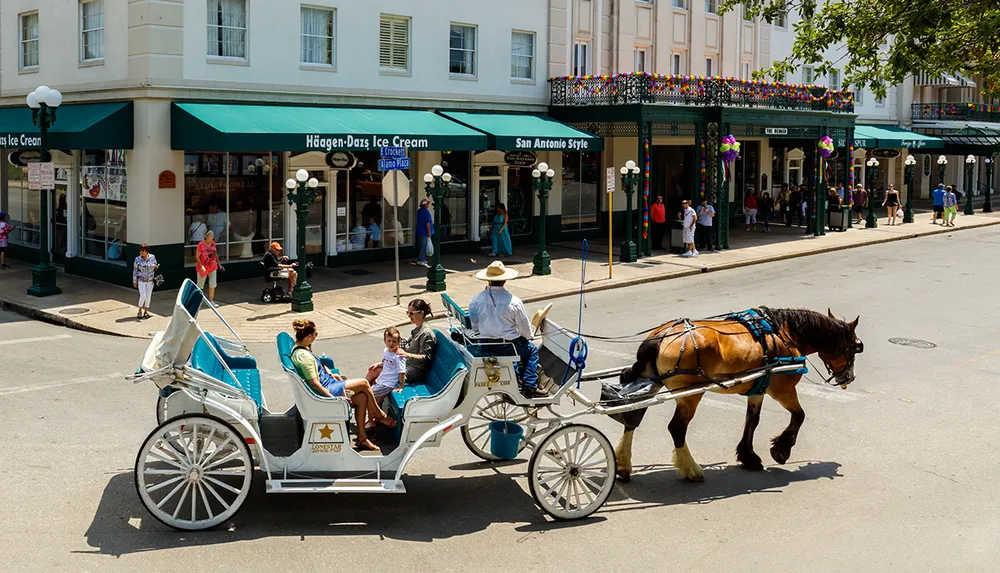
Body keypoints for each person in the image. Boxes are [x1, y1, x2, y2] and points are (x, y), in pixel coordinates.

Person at [289, 320, 395, 451]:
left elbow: (317, 366)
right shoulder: (303, 357)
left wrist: (329, 372)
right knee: (364, 383)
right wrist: (334, 399)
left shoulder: (303, 348)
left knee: (362, 398)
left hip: (329, 382)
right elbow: (314, 383)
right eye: (315, 334)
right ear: (309, 336)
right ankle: (380, 415)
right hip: (325, 390)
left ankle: (362, 439)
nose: (316, 337)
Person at [468, 261, 544, 398]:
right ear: (504, 280)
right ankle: (530, 385)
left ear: (488, 280)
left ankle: (515, 379)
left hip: (485, 344)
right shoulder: (513, 301)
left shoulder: (476, 299)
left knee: (519, 347)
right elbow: (524, 329)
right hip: (507, 346)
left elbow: (474, 324)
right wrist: (528, 337)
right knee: (531, 351)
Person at [398, 299, 436, 383]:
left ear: (421, 313)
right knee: (376, 369)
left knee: (385, 375)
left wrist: (408, 355)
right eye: (407, 313)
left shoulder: (426, 333)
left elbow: (425, 357)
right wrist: (402, 343)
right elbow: (411, 347)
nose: (409, 316)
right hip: (406, 364)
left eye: (412, 313)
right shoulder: (417, 329)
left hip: (415, 370)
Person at [370, 327, 407, 405]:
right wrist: (379, 364)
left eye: (394, 341)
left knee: (368, 393)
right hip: (381, 380)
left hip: (388, 384)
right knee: (376, 400)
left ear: (398, 341)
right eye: (389, 341)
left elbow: (402, 372)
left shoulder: (399, 356)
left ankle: (377, 415)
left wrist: (400, 386)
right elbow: (388, 363)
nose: (391, 344)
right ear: (384, 341)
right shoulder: (386, 351)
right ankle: (375, 414)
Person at [196, 230, 223, 306]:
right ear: (207, 237)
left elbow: (215, 254)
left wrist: (219, 264)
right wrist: (201, 266)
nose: (213, 237)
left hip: (212, 266)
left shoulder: (213, 243)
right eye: (211, 236)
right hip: (203, 268)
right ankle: (198, 301)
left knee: (213, 284)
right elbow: (197, 257)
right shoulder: (200, 245)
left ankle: (211, 301)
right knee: (200, 285)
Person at [132, 244, 158, 320]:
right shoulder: (137, 259)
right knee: (143, 295)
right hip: (141, 280)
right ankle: (139, 310)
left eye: (142, 250)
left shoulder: (152, 257)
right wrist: (134, 281)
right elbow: (135, 271)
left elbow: (155, 264)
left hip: (150, 280)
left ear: (147, 251)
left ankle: (146, 311)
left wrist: (155, 266)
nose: (141, 252)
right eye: (140, 250)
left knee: (148, 296)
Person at [416, 198, 433, 267]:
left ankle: (421, 258)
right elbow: (427, 222)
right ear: (425, 204)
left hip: (419, 231)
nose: (428, 205)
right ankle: (421, 260)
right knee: (423, 246)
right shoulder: (426, 212)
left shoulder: (419, 211)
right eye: (427, 204)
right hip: (424, 232)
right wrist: (429, 232)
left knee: (421, 246)